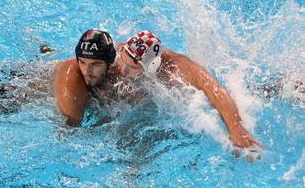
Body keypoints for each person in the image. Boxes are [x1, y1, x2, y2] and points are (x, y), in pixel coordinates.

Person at [54, 28, 261, 153]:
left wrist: (236, 127)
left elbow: (212, 87)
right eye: (122, 63)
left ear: (150, 68)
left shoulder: (173, 67)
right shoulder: (111, 59)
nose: (123, 71)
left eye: (133, 69)